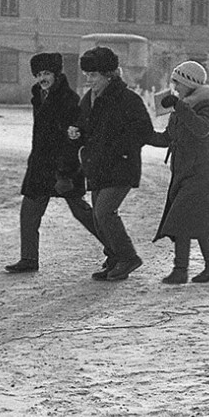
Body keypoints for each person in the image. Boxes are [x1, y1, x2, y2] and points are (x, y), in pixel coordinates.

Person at [5, 52, 100, 273]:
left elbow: (72, 139)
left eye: (46, 73)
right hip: (40, 165)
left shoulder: (69, 100)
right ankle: (29, 259)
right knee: (29, 212)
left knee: (81, 212)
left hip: (63, 166)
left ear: (57, 74)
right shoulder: (39, 95)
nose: (42, 78)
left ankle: (116, 250)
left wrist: (65, 173)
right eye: (38, 74)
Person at [69, 46, 153, 282]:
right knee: (98, 216)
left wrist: (118, 146)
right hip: (97, 167)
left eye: (93, 75)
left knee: (105, 212)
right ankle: (115, 258)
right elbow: (83, 124)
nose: (88, 80)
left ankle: (128, 257)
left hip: (121, 167)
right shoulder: (91, 98)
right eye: (87, 75)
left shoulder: (128, 100)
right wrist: (76, 132)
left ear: (109, 75)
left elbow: (143, 131)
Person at [148, 61, 209, 285]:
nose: (174, 86)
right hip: (183, 170)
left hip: (201, 171)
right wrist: (141, 134)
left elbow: (201, 129)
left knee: (183, 219)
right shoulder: (182, 106)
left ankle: (182, 270)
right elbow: (168, 138)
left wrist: (180, 107)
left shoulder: (205, 106)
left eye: (178, 82)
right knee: (196, 220)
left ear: (190, 83)